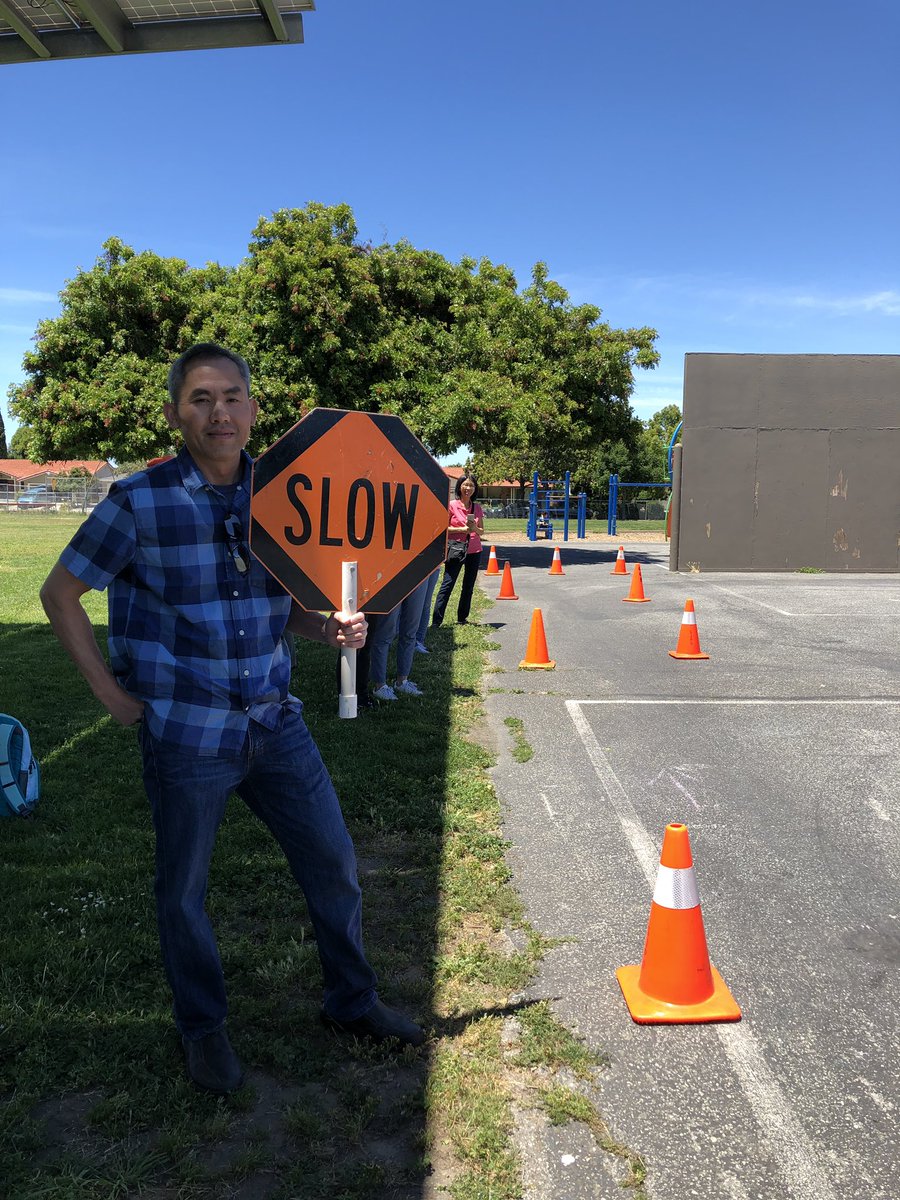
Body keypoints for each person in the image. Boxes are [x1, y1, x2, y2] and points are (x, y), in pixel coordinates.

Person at [39, 343, 425, 1096]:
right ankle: (204, 1031)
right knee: (183, 892)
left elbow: (284, 614)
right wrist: (112, 699)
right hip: (188, 736)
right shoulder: (137, 501)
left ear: (254, 408)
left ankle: (352, 1002)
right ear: (175, 412)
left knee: (335, 865)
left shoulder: (286, 494)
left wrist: (329, 630)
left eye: (232, 397)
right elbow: (60, 595)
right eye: (201, 399)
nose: (220, 413)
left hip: (277, 724)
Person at [431, 474, 484, 627]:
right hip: (455, 549)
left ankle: (462, 618)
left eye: (471, 486)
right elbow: (443, 528)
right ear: (460, 486)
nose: (468, 488)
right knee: (447, 584)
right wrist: (462, 529)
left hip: (475, 550)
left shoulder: (477, 507)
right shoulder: (452, 505)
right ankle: (436, 621)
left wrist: (475, 529)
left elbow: (482, 531)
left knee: (468, 586)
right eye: (466, 485)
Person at [369, 577, 430, 701]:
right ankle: (380, 685)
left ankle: (402, 681)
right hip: (394, 574)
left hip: (420, 573)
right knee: (385, 632)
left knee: (410, 631)